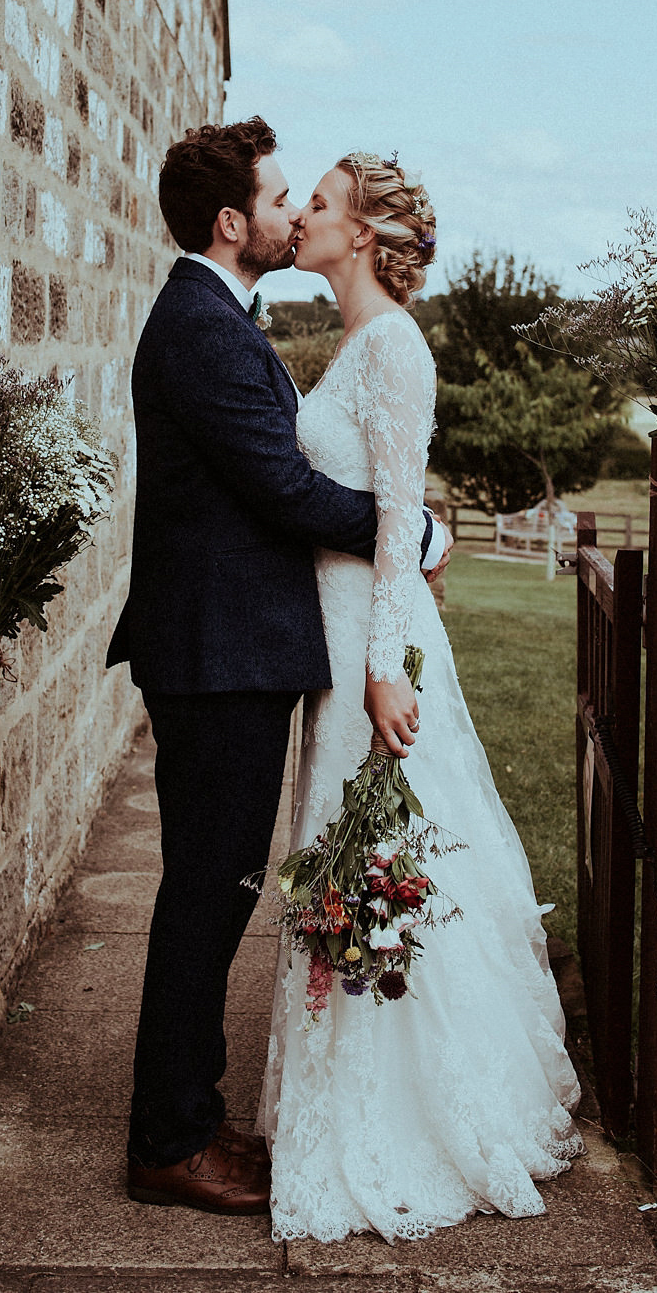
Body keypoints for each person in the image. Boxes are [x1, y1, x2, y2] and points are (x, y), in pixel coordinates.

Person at [107, 118, 449, 1216]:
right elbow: (285, 493)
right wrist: (420, 536)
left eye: (306, 196)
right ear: (230, 221)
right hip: (218, 657)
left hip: (232, 651)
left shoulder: (218, 315)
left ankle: (191, 1117)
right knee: (208, 894)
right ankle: (171, 1138)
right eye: (279, 195)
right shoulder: (203, 328)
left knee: (220, 889)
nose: (293, 210)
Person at [259, 151, 583, 1242]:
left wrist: (386, 665)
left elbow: (399, 519)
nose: (300, 213)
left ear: (358, 233)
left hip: (370, 643)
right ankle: (347, 1089)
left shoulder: (396, 347)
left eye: (317, 203)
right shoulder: (357, 342)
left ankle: (411, 1114)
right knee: (346, 849)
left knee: (384, 850)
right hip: (339, 629)